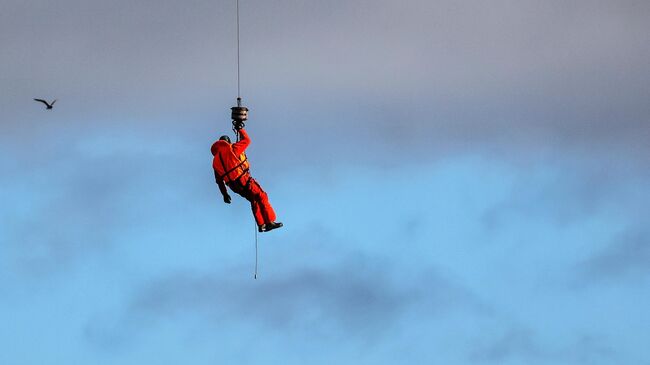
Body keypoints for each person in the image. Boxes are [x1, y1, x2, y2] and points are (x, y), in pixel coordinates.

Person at [211, 128, 283, 232]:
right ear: (228, 142)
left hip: (234, 187)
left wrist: (225, 195)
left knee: (254, 200)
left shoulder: (215, 161)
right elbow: (247, 140)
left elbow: (219, 181)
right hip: (243, 179)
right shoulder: (232, 148)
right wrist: (240, 129)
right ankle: (269, 222)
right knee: (261, 195)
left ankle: (261, 225)